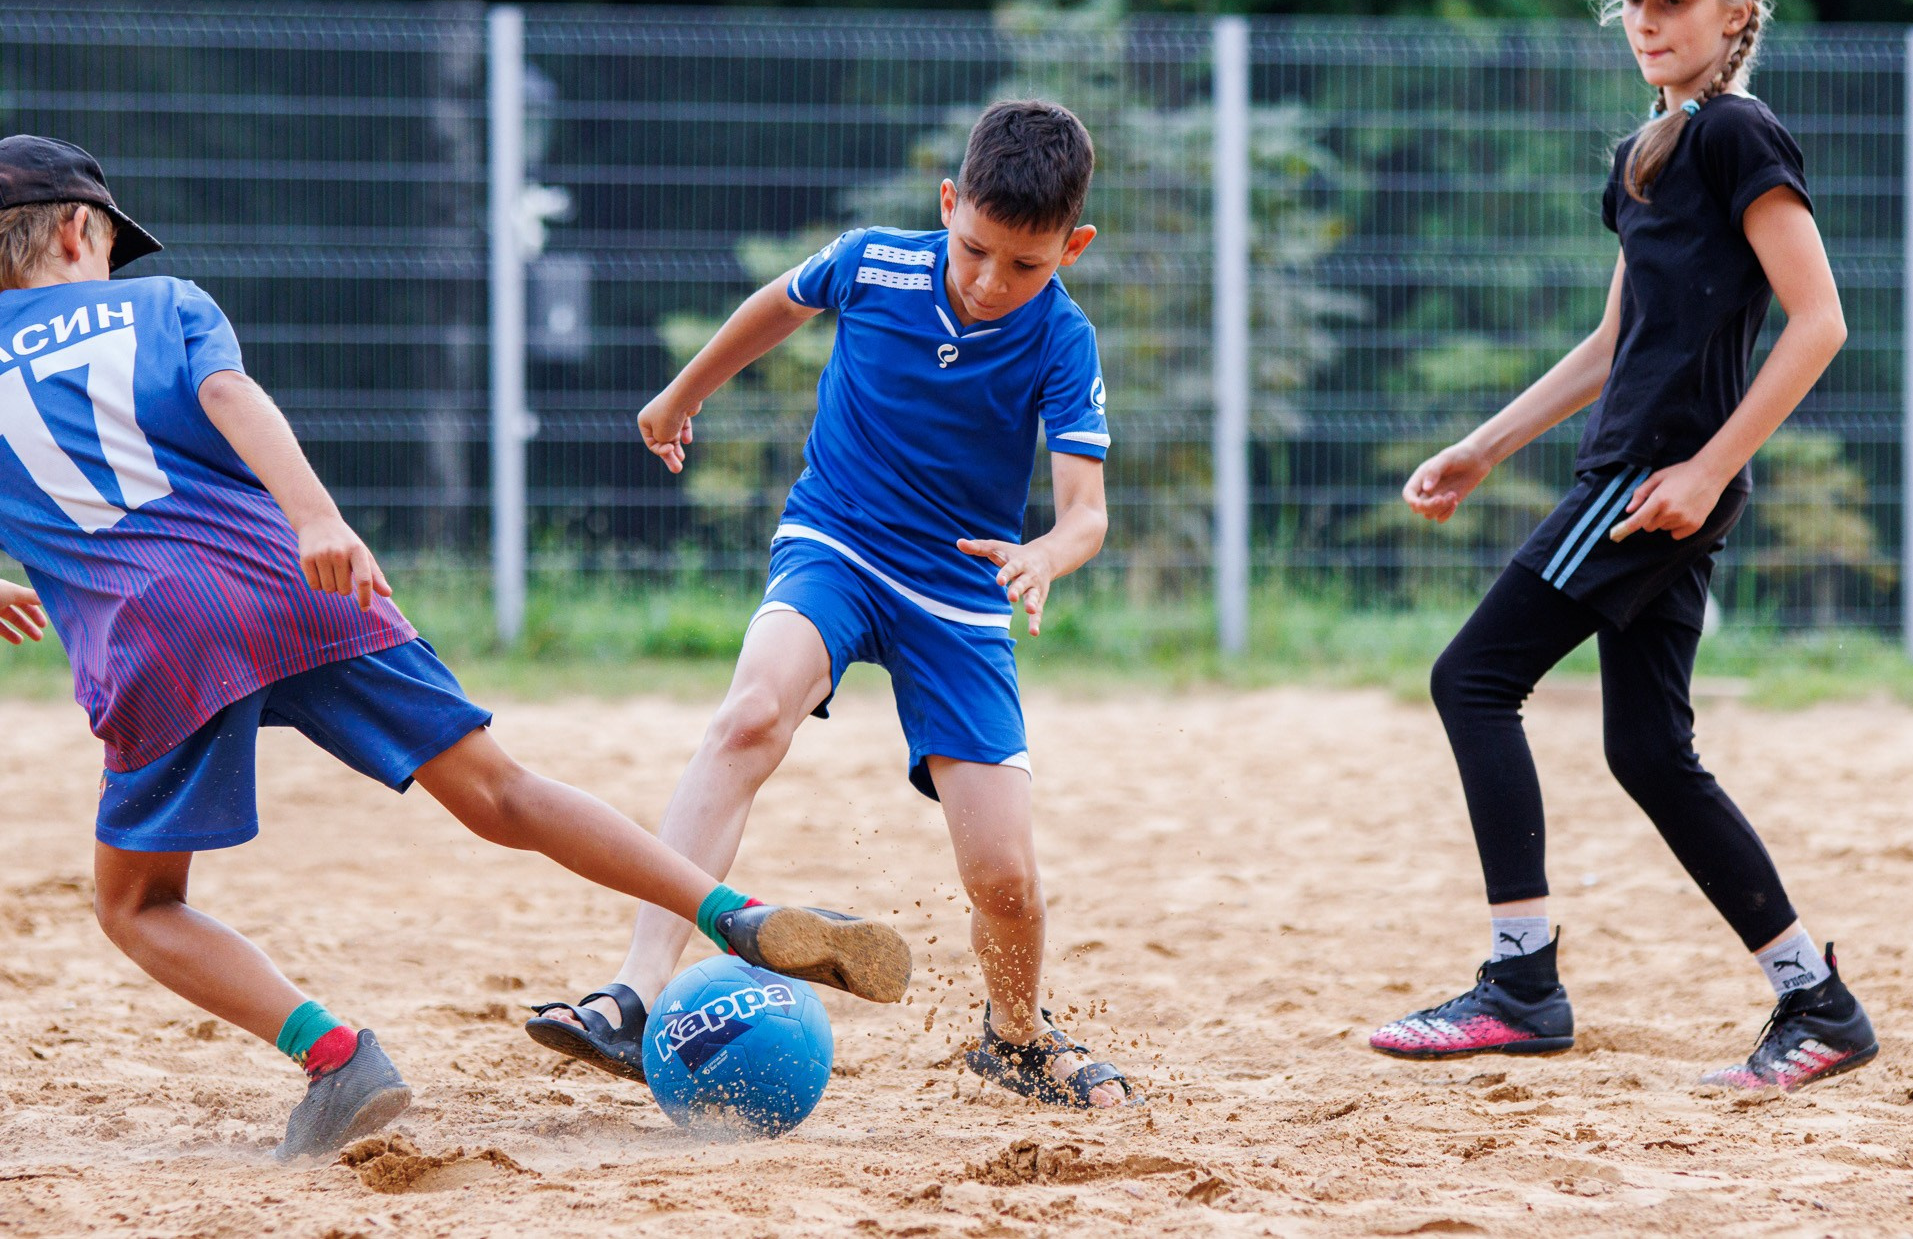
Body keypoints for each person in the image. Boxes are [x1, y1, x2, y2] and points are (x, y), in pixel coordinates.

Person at [0, 134, 910, 1161]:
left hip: (153, 641)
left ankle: (335, 1054)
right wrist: (318, 521)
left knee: (137, 904)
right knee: (501, 792)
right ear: (80, 228)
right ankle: (731, 910)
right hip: (298, 581)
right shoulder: (165, 304)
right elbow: (228, 397)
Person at [526, 100, 1135, 1109]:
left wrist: (1044, 554)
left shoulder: (1063, 342)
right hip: (836, 542)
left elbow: (1085, 513)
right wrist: (682, 394)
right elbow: (777, 304)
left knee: (1006, 881)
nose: (990, 282)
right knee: (749, 713)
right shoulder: (872, 262)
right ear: (947, 205)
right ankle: (633, 993)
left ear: (1071, 247)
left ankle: (1015, 1036)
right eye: (974, 249)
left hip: (959, 592)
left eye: (1024, 266)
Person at [1367, 0, 1877, 1091]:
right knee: (1648, 748)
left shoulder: (1736, 135)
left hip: (1649, 485)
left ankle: (1520, 982)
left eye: (1674, 1)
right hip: (1645, 480)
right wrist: (1482, 447)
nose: (1646, 20)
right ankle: (1816, 1001)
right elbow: (1612, 339)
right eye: (1633, 1)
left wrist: (1704, 471)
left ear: (1733, 16)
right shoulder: (1648, 149)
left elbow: (1819, 321)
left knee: (1471, 679)